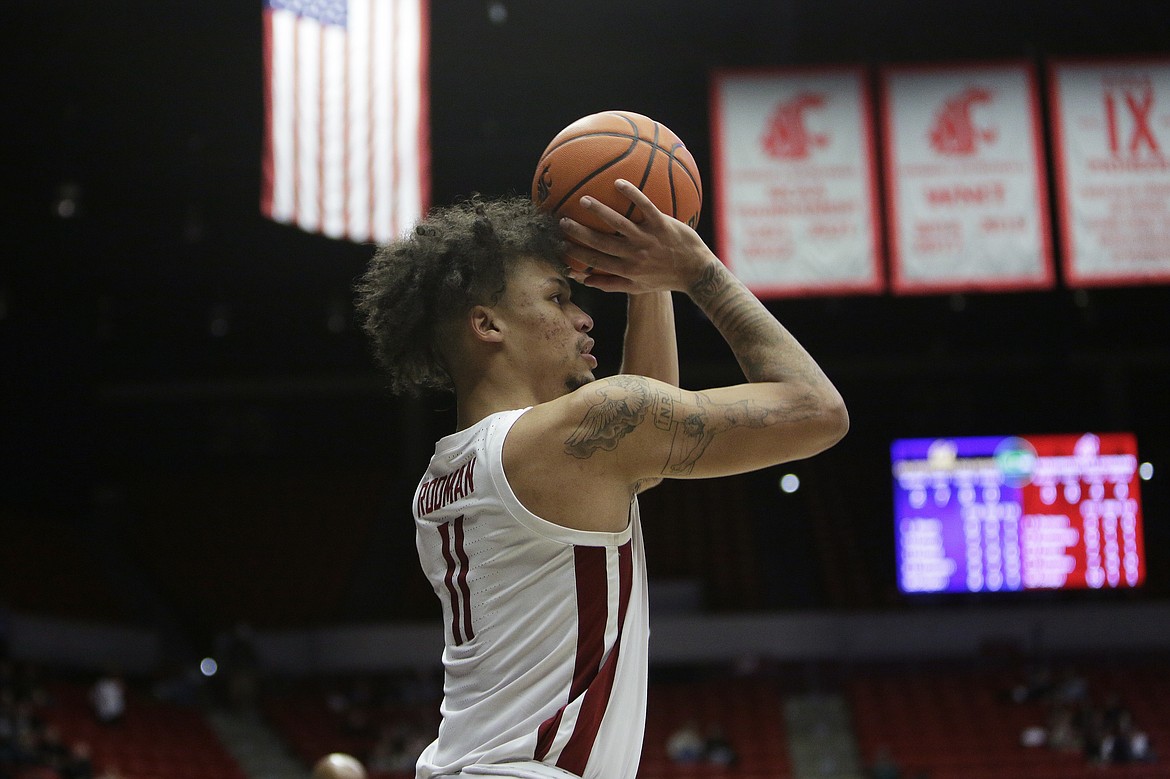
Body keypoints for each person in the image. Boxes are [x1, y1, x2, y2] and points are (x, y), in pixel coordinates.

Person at [354, 180, 848, 779]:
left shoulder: (447, 473)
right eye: (558, 298)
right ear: (487, 324)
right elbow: (816, 411)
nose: (585, 317)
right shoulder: (569, 435)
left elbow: (643, 453)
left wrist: (650, 287)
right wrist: (697, 271)